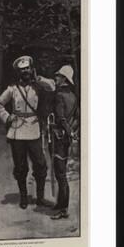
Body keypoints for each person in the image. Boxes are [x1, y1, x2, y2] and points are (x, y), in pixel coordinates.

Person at [0, 56, 55, 210]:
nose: (25, 72)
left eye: (27, 68)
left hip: (34, 129)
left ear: (31, 69)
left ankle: (40, 197)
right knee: (20, 167)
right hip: (18, 131)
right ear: (18, 72)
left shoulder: (38, 86)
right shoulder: (12, 89)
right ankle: (23, 197)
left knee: (40, 165)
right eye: (22, 70)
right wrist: (7, 117)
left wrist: (38, 78)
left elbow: (52, 87)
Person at [49, 65, 78, 220]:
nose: (56, 78)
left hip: (59, 138)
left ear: (64, 79)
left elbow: (60, 118)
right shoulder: (73, 95)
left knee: (60, 174)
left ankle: (64, 209)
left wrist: (67, 131)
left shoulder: (59, 95)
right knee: (61, 172)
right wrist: (72, 131)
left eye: (58, 76)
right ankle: (60, 205)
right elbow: (76, 117)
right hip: (65, 138)